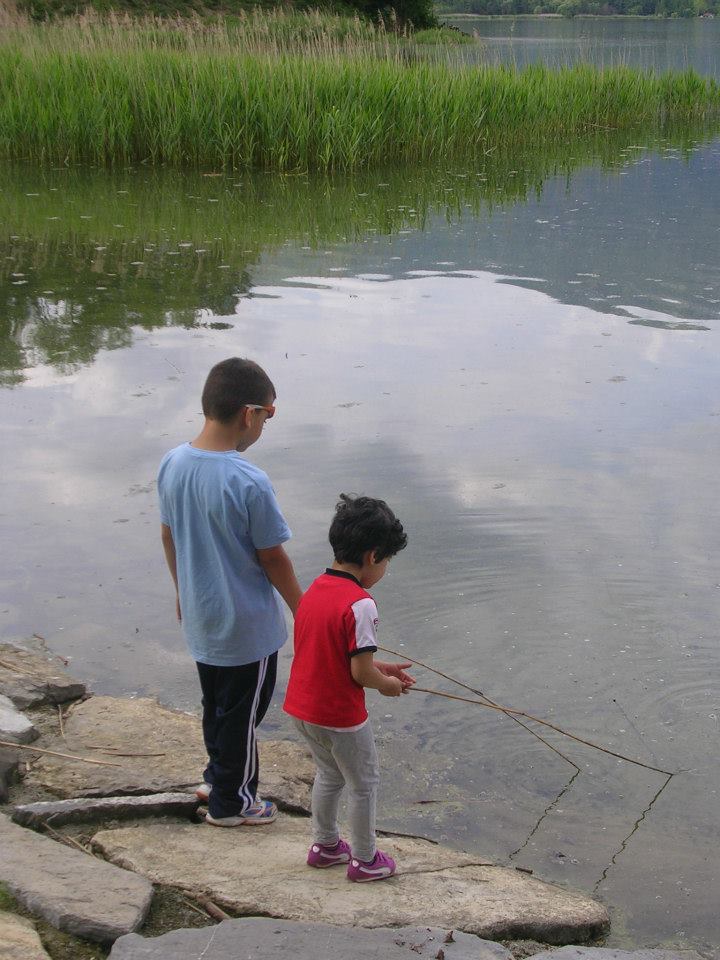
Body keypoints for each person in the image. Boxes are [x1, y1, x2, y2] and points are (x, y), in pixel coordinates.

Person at [158, 357, 302, 827]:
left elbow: (168, 535)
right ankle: (234, 803)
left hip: (203, 616)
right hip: (248, 629)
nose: (265, 424)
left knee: (216, 705)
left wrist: (183, 591)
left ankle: (216, 777)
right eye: (268, 415)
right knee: (245, 712)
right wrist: (305, 610)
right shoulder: (248, 480)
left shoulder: (172, 463)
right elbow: (273, 557)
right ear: (248, 414)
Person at [283, 493, 414, 882]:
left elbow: (334, 655)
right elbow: (360, 675)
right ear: (373, 556)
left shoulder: (314, 592)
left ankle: (324, 846)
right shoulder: (361, 604)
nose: (386, 568)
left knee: (329, 776)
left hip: (303, 710)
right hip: (340, 716)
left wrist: (379, 666)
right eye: (388, 560)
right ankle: (365, 859)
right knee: (364, 782)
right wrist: (386, 684)